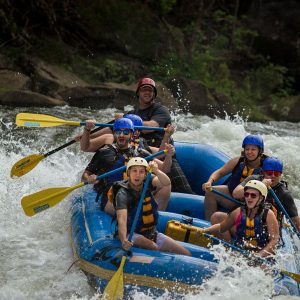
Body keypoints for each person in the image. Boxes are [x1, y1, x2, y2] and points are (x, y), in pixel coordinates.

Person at [81, 117, 174, 214]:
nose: (121, 135)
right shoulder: (104, 152)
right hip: (111, 196)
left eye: (125, 132)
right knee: (122, 197)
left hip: (133, 192)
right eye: (118, 132)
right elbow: (84, 176)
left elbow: (165, 169)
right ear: (114, 134)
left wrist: (169, 156)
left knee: (165, 184)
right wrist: (89, 179)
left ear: (131, 134)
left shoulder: (140, 152)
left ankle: (155, 217)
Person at [113, 157, 191, 256]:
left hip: (151, 232)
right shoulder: (123, 194)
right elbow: (122, 220)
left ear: (145, 174)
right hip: (130, 233)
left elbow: (166, 183)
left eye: (141, 171)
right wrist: (124, 239)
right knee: (153, 247)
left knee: (186, 253)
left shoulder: (148, 181)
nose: (137, 175)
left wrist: (156, 171)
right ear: (128, 173)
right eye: (134, 171)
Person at [202, 180, 279, 258]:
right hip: (242, 251)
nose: (249, 198)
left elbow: (274, 240)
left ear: (261, 198)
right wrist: (205, 230)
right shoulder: (238, 211)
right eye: (246, 194)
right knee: (232, 258)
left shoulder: (268, 215)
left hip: (262, 255)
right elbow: (222, 227)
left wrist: (260, 255)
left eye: (253, 195)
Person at [202, 134, 266, 220]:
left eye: (253, 149)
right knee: (210, 192)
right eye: (247, 149)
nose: (249, 152)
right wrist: (210, 181)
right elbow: (220, 172)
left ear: (260, 151)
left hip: (252, 202)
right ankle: (209, 223)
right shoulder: (238, 161)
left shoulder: (266, 166)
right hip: (232, 197)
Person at [232, 157, 300, 232]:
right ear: (263, 172)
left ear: (280, 174)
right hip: (247, 219)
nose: (273, 176)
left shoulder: (284, 194)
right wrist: (260, 185)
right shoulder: (253, 180)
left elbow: (296, 221)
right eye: (270, 173)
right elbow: (235, 194)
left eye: (277, 173)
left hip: (267, 229)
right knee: (219, 217)